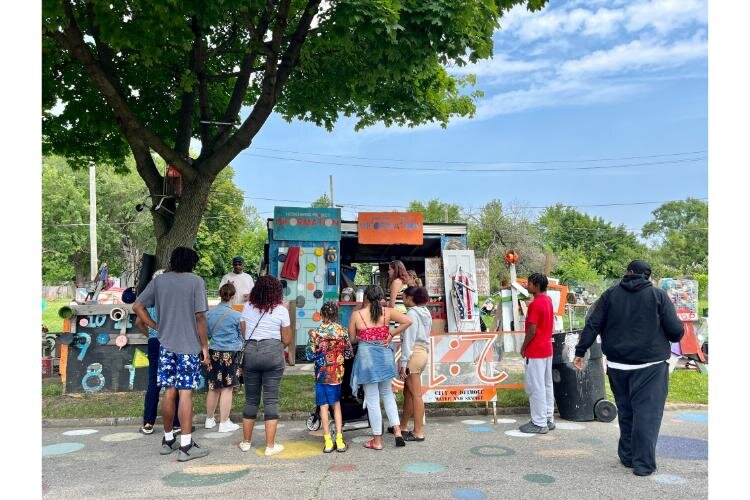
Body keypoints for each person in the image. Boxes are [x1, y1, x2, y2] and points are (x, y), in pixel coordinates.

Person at [574, 260, 684, 477]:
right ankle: (643, 464)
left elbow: (593, 324)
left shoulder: (610, 295)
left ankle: (627, 456)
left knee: (626, 411)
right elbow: (675, 332)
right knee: (647, 415)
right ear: (647, 275)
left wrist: (580, 351)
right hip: (650, 366)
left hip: (616, 366)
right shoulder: (658, 296)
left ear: (628, 273)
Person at [133, 247, 210, 462]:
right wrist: (205, 347)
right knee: (185, 393)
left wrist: (156, 327)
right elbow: (200, 318)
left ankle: (168, 440)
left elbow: (137, 306)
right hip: (188, 347)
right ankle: (186, 445)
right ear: (192, 263)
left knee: (169, 392)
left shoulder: (159, 281)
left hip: (166, 345)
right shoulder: (196, 281)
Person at [349, 285, 412, 450]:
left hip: (366, 358)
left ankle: (377, 440)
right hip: (385, 356)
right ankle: (397, 431)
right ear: (381, 298)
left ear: (366, 298)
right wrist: (391, 334)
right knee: (388, 394)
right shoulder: (387, 312)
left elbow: (353, 338)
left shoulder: (357, 315)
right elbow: (408, 321)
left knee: (372, 399)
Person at [238, 275, 293, 456]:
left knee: (251, 399)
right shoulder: (281, 310)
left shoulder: (247, 307)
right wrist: (275, 347)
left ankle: (246, 442)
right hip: (273, 353)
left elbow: (244, 333)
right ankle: (270, 445)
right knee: (271, 399)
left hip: (252, 352)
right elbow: (286, 339)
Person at [135, 270, 181, 435]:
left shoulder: (149, 301)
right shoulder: (171, 300)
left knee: (153, 382)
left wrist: (151, 332)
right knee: (173, 382)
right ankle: (176, 423)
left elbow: (138, 321)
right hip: (171, 341)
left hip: (154, 342)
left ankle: (148, 422)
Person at [306, 301, 354, 453]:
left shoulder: (315, 332)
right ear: (336, 315)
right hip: (337, 374)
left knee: (323, 407)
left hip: (321, 374)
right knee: (336, 405)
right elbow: (348, 354)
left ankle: (327, 441)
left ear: (322, 315)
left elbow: (309, 355)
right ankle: (339, 440)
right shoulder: (342, 331)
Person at [204, 283, 245, 433]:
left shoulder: (209, 314)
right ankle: (224, 421)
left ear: (220, 295)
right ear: (233, 297)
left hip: (214, 351)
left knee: (213, 386)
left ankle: (209, 419)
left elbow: (207, 334)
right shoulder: (237, 315)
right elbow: (242, 336)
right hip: (231, 353)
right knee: (227, 388)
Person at [518, 273, 555, 434]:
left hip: (535, 350)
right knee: (547, 384)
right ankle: (548, 417)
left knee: (535, 386)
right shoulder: (548, 301)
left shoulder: (535, 304)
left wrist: (523, 347)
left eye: (530, 283)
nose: (527, 286)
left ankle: (539, 422)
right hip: (547, 348)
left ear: (537, 286)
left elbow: (532, 330)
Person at [398, 286, 431, 442]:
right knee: (409, 393)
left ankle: (418, 431)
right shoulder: (425, 312)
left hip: (413, 354)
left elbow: (409, 340)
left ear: (410, 298)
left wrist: (403, 362)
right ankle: (403, 426)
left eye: (403, 297)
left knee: (416, 395)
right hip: (422, 352)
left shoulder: (411, 313)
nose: (402, 300)